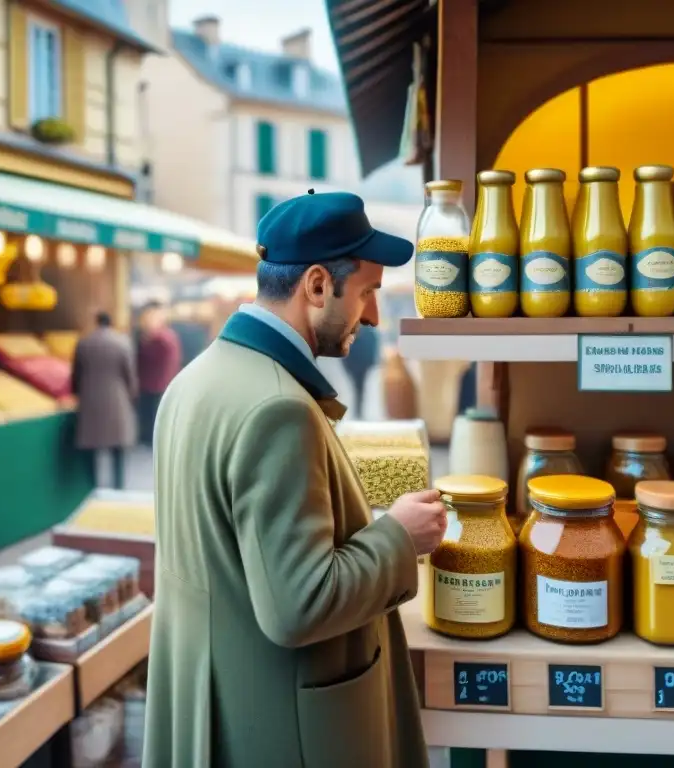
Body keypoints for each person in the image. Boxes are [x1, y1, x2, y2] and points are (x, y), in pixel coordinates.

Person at [143, 190, 447, 768]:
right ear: (315, 286)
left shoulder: (193, 380)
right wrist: (399, 537)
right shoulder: (278, 408)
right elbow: (298, 605)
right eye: (367, 292)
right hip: (280, 728)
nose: (375, 316)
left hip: (214, 706)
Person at [72, 311, 138, 489]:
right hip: (117, 400)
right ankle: (118, 486)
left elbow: (76, 375)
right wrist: (132, 394)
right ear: (111, 323)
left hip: (90, 402)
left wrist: (77, 393)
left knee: (92, 450)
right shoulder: (122, 343)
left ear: (96, 322)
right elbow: (130, 375)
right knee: (117, 449)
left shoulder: (84, 343)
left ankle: (91, 486)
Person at [135, 301, 181, 445]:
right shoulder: (168, 337)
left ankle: (151, 439)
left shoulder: (161, 339)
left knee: (153, 415)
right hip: (158, 384)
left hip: (156, 385)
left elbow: (146, 359)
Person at [341, 322, 381, 419]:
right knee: (359, 387)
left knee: (358, 387)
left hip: (359, 365)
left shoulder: (364, 333)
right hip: (358, 365)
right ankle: (358, 411)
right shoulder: (365, 333)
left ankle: (357, 411)